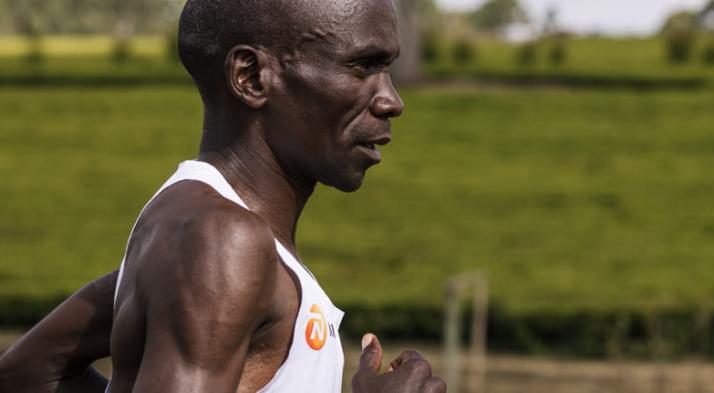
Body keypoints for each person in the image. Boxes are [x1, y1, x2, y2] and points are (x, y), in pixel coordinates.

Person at [0, 0, 446, 392]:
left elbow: (32, 373)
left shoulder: (194, 240)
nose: (391, 100)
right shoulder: (220, 241)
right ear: (251, 77)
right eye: (363, 66)